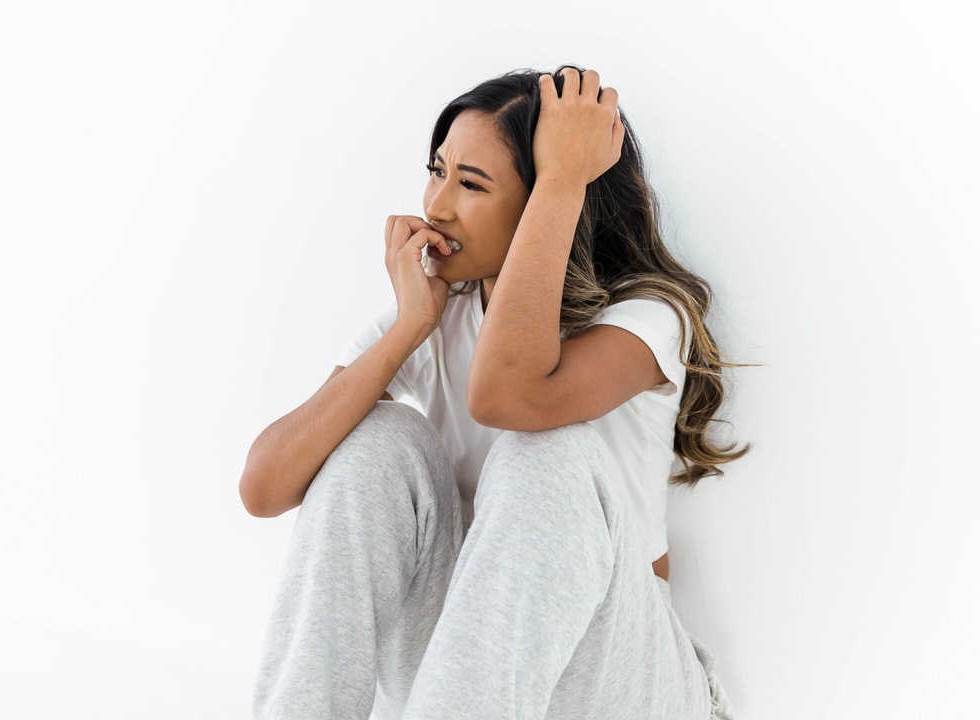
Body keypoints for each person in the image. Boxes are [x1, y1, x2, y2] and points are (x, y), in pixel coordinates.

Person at [239, 65, 751, 720]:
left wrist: (562, 177)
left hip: (620, 687)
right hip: (472, 681)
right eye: (437, 171)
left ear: (548, 203)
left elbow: (507, 399)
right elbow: (264, 487)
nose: (436, 206)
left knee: (546, 452)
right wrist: (408, 328)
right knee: (377, 440)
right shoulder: (434, 315)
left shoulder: (645, 319)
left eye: (472, 184)